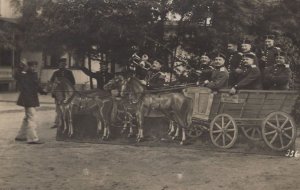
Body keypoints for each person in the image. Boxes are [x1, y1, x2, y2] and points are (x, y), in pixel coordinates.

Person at [14, 59, 47, 144]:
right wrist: (22, 68)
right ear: (28, 66)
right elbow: (16, 76)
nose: (34, 68)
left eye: (35, 66)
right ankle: (32, 138)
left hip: (31, 98)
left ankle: (21, 136)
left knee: (27, 118)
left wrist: (43, 91)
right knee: (32, 117)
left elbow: (36, 85)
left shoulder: (34, 74)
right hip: (27, 99)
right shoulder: (24, 74)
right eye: (32, 66)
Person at [50, 58, 75, 129]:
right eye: (61, 64)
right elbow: (52, 82)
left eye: (64, 64)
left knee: (68, 107)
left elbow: (73, 82)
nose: (62, 65)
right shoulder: (56, 73)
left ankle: (66, 122)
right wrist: (54, 92)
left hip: (67, 93)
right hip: (59, 93)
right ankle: (57, 122)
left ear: (65, 65)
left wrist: (66, 83)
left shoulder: (69, 72)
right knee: (58, 107)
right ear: (59, 64)